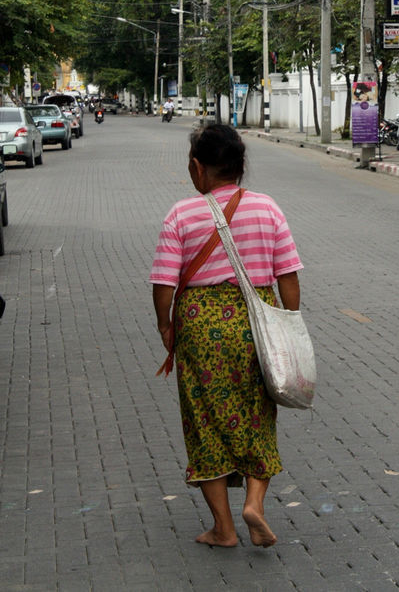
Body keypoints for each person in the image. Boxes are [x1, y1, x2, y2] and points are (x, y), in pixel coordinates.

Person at [150, 125, 303, 548]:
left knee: (205, 420)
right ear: (239, 167)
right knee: (258, 413)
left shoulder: (181, 215)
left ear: (198, 168)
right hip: (259, 322)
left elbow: (164, 282)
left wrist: (166, 325)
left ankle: (224, 528)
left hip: (201, 327)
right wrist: (290, 325)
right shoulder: (268, 208)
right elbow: (287, 274)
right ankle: (254, 502)